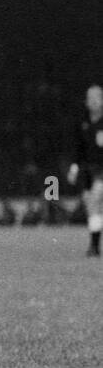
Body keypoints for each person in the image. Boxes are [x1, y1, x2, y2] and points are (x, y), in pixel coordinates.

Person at [67, 84, 103, 257]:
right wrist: (74, 169)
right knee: (92, 206)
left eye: (97, 97)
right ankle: (95, 246)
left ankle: (95, 247)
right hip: (89, 171)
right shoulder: (83, 122)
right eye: (90, 98)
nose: (93, 101)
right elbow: (78, 149)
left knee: (96, 199)